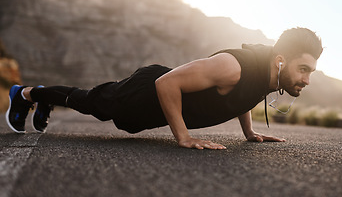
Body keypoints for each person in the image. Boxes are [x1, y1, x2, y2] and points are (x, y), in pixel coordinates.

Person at [6, 27, 323, 150]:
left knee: (99, 109)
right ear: (281, 61)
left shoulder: (268, 75)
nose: (307, 80)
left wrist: (249, 133)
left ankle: (39, 97)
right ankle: (26, 94)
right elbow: (166, 82)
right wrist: (183, 137)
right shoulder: (233, 66)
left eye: (312, 72)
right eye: (304, 69)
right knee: (88, 102)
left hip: (151, 106)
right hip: (142, 93)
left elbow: (245, 96)